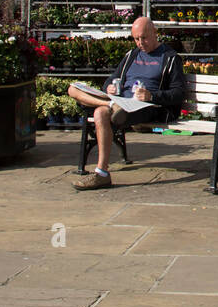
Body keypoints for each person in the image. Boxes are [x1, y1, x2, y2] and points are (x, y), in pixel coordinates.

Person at [67, 17, 187, 190]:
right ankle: (102, 172)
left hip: (148, 106)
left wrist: (151, 96)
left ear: (155, 33)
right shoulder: (132, 55)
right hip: (120, 101)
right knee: (74, 91)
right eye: (136, 39)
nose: (140, 43)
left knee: (100, 113)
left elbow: (178, 93)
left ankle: (102, 170)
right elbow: (112, 78)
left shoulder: (170, 58)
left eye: (144, 38)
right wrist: (109, 87)